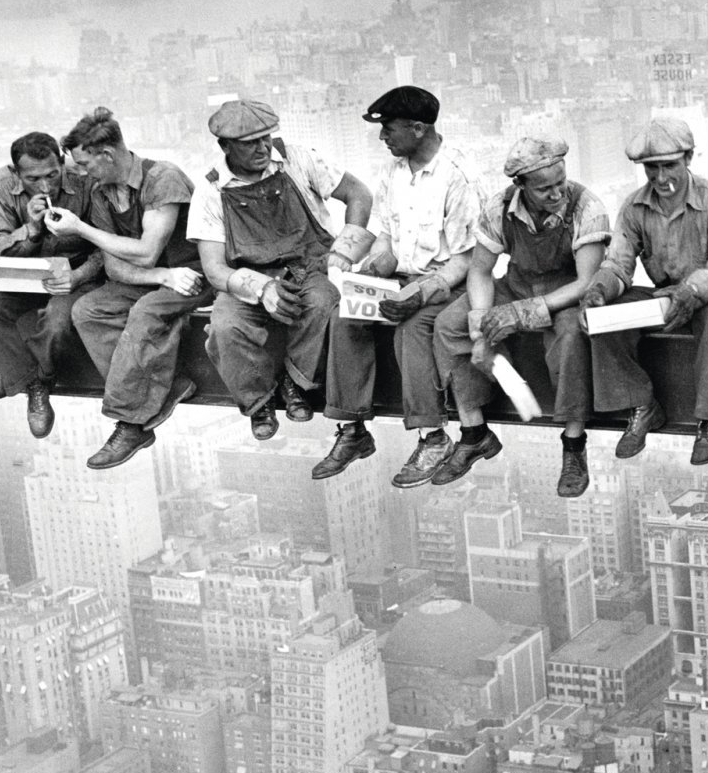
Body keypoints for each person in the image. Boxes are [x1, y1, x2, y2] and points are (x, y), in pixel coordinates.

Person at [312, 86, 481, 488]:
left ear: (418, 128)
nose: (382, 137)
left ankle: (433, 436)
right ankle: (352, 429)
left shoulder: (458, 177)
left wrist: (421, 293)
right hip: (401, 280)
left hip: (445, 285)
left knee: (413, 328)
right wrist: (373, 269)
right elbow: (386, 236)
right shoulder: (394, 170)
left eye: (389, 128)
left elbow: (466, 259)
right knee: (345, 316)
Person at [432, 137, 610, 497]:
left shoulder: (587, 208)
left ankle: (574, 444)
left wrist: (522, 314)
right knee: (449, 324)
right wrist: (481, 330)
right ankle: (474, 431)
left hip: (566, 293)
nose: (557, 193)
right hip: (517, 283)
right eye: (544, 189)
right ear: (521, 186)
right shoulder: (499, 207)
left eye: (560, 183)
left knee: (572, 337)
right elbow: (481, 271)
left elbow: (585, 281)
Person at [189, 98, 374, 440]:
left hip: (309, 266)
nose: (262, 148)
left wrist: (345, 250)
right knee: (225, 326)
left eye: (266, 138)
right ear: (225, 145)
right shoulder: (211, 189)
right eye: (249, 143)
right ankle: (257, 401)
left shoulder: (299, 158)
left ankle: (298, 382)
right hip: (248, 277)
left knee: (322, 305)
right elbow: (215, 270)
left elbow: (359, 194)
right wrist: (261, 289)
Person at [47, 107, 212, 469]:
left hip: (195, 273)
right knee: (87, 310)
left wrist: (81, 228)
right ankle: (166, 388)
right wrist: (159, 277)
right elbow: (113, 263)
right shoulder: (103, 190)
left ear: (107, 155)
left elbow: (147, 249)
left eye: (85, 163)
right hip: (160, 278)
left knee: (145, 312)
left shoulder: (162, 178)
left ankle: (131, 422)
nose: (82, 172)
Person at [580, 117, 708, 464]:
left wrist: (690, 292)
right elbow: (619, 264)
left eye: (669, 166)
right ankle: (641, 403)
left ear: (688, 159)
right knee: (604, 319)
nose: (661, 178)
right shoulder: (635, 206)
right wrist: (598, 292)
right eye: (652, 169)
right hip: (663, 297)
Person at [0, 131, 104, 438]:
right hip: (21, 272)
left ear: (62, 163)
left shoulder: (86, 180)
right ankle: (32, 383)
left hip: (74, 273)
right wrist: (30, 230)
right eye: (33, 179)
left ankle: (20, 376)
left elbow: (105, 245)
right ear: (16, 173)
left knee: (58, 324)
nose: (45, 186)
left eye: (52, 175)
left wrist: (79, 276)